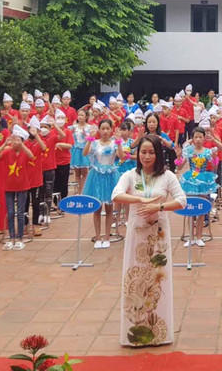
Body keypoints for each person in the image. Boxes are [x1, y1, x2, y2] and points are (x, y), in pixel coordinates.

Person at [113, 134, 186, 347]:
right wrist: (140, 199)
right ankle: (135, 333)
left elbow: (182, 200)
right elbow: (115, 195)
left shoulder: (167, 176)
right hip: (136, 235)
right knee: (136, 282)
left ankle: (159, 333)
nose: (146, 156)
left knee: (157, 282)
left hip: (159, 237)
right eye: (143, 152)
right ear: (137, 154)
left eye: (151, 152)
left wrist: (159, 206)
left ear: (158, 154)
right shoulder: (129, 175)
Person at [83, 119, 124, 249]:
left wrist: (118, 143)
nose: (105, 131)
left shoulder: (114, 143)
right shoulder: (94, 143)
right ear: (99, 130)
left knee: (109, 207)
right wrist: (89, 139)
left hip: (110, 175)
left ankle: (107, 237)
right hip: (96, 176)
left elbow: (122, 157)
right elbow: (85, 153)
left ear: (111, 129)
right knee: (97, 208)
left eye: (108, 128)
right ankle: (98, 237)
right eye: (103, 128)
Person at [1, 125, 34, 250]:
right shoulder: (8, 151)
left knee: (20, 213)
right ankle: (11, 238)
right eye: (13, 139)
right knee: (10, 213)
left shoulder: (25, 152)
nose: (15, 142)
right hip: (9, 186)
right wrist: (5, 144)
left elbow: (31, 156)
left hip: (22, 186)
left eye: (17, 139)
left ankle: (20, 238)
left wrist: (22, 144)